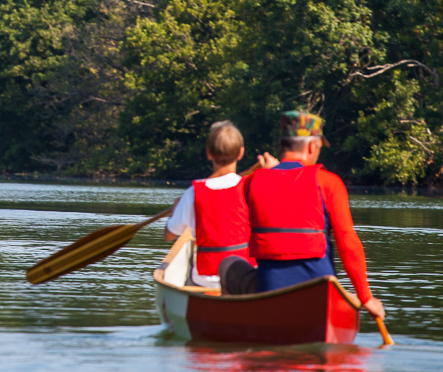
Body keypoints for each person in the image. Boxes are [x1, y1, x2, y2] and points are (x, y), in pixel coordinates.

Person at [236, 111, 386, 321]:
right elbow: (347, 242)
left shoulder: (251, 183)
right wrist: (366, 297)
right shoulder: (328, 182)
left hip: (270, 291)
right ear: (311, 146)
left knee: (230, 266)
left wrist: (268, 171)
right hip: (319, 297)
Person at [163, 120, 269, 292]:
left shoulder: (193, 192)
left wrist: (175, 210)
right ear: (241, 153)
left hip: (205, 280)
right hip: (245, 278)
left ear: (208, 153)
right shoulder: (251, 187)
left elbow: (169, 235)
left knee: (188, 277)